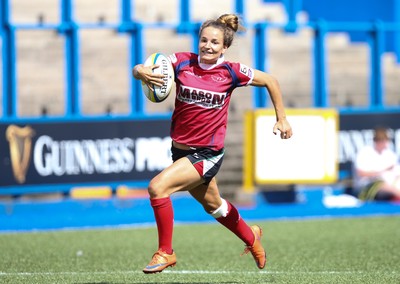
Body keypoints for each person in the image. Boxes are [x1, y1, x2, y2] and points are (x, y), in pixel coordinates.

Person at [132, 13, 293, 274]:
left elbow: (271, 81)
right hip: (181, 152)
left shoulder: (232, 71)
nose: (208, 46)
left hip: (207, 154)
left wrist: (282, 119)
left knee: (157, 188)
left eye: (215, 43)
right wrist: (139, 71)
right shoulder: (182, 62)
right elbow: (141, 67)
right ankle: (252, 238)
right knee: (215, 206)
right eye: (204, 40)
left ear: (224, 48)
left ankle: (166, 253)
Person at [353, 126, 400, 201]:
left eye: (385, 141)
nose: (384, 144)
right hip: (367, 187)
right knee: (382, 185)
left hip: (389, 184)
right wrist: (382, 171)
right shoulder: (365, 153)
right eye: (381, 141)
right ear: (376, 141)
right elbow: (361, 173)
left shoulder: (390, 154)